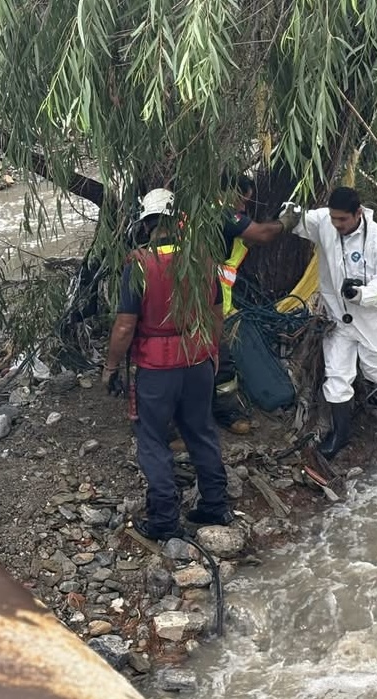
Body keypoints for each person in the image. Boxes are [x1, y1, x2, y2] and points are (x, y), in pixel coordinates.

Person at [101, 188, 233, 540]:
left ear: (146, 224)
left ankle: (164, 519)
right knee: (201, 430)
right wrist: (212, 351)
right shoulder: (203, 259)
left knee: (152, 439)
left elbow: (125, 326)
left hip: (157, 368)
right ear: (178, 222)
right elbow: (216, 313)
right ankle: (216, 504)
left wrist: (110, 367)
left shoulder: (140, 265)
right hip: (198, 358)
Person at [291, 186, 377, 460]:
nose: (337, 224)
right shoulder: (325, 222)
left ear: (358, 213)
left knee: (374, 369)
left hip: (370, 317)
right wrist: (287, 213)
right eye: (333, 218)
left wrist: (360, 294)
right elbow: (298, 218)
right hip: (337, 317)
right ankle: (341, 434)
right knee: (337, 374)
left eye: (342, 219)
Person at [214, 175, 301, 433]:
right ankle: (225, 414)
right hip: (211, 302)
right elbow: (261, 234)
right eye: (241, 200)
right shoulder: (223, 214)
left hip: (200, 300)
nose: (243, 207)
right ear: (227, 192)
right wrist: (286, 222)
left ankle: (208, 411)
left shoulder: (202, 215)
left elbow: (243, 237)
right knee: (221, 360)